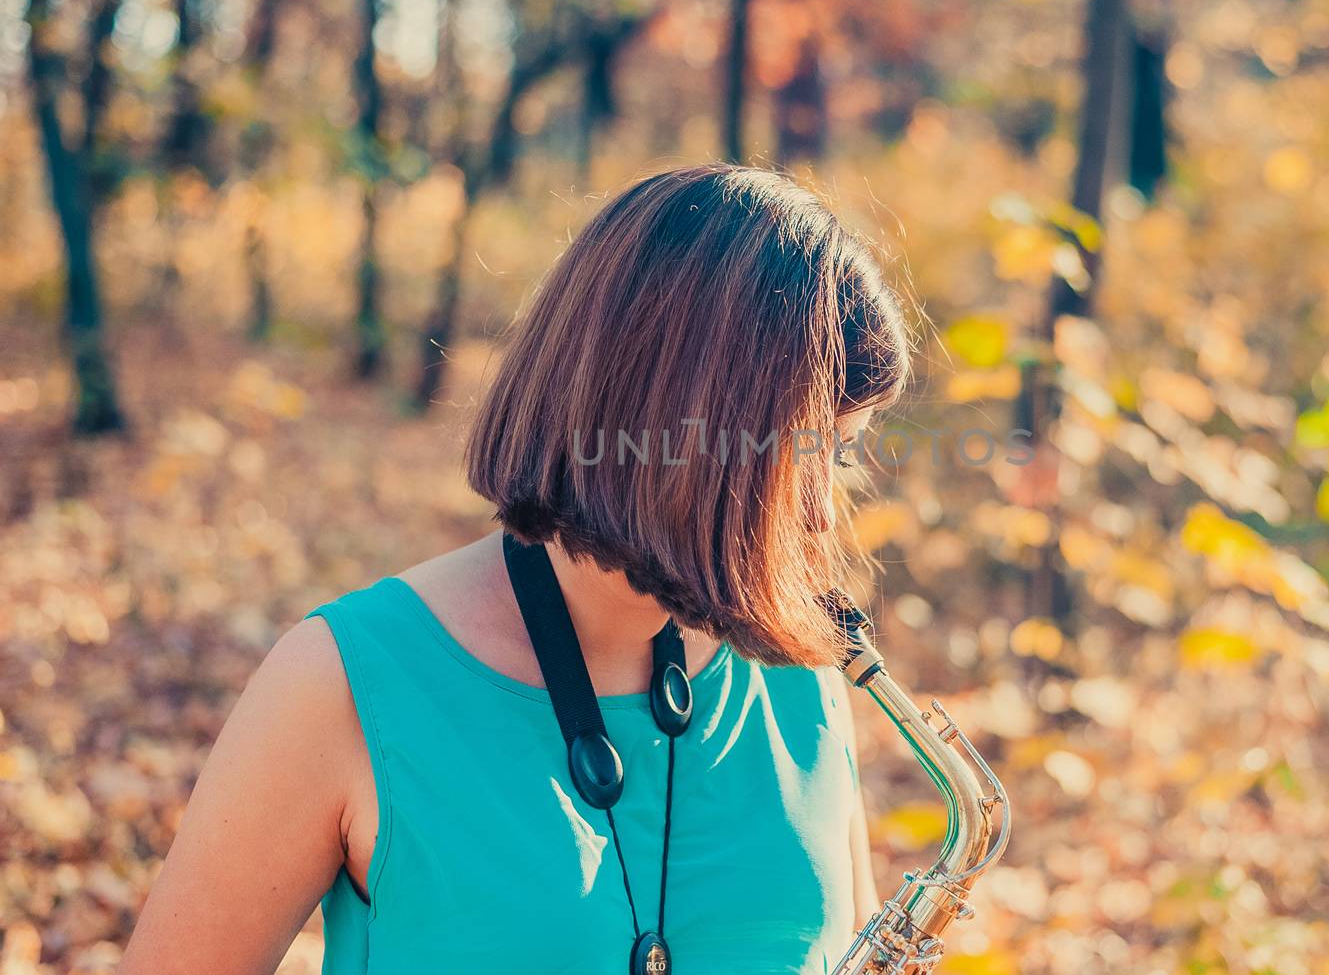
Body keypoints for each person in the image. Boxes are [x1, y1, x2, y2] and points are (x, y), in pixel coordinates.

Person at [121, 162, 912, 974]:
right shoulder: (341, 684)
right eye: (799, 454)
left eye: (841, 455)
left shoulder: (803, 678)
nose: (821, 512)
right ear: (679, 429)